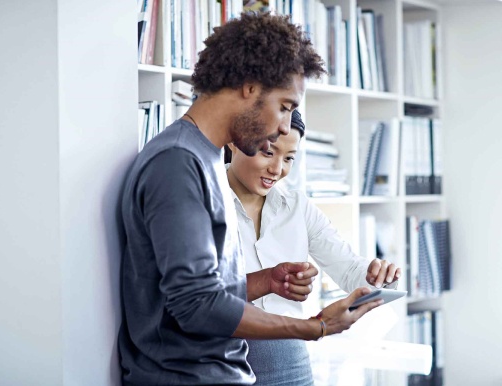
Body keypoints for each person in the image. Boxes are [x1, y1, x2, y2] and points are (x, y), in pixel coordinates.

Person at [118, 12, 385, 386]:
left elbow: (199, 291)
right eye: (285, 107)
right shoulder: (178, 162)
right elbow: (196, 307)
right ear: (249, 86)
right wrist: (316, 326)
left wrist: (266, 281)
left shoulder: (202, 157)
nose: (283, 126)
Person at [225, 109, 402, 385]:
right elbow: (199, 294)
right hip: (223, 360)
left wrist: (373, 274)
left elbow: (348, 268)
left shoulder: (298, 208)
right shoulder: (205, 202)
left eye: (289, 158)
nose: (277, 169)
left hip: (291, 362)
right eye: (268, 152)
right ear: (234, 141)